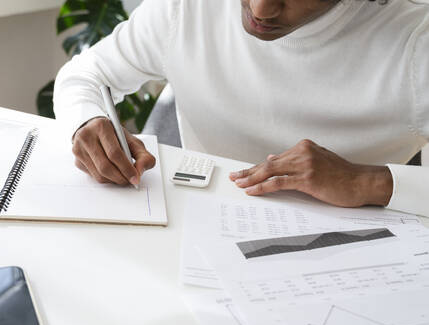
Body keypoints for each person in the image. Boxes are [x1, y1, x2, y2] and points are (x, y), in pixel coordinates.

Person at [53, 0, 429, 217]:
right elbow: (84, 75)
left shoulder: (416, 44)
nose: (261, 9)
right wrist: (88, 120)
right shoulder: (189, 7)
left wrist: (368, 182)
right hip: (201, 239)